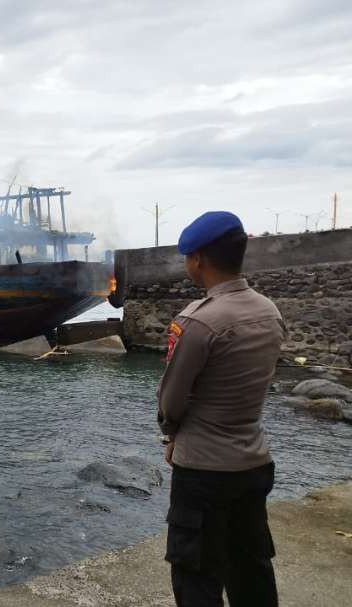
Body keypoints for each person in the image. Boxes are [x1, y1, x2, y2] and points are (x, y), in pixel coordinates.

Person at [157, 211, 285, 606]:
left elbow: (172, 401)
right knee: (251, 568)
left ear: (198, 260)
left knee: (196, 574)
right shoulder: (269, 311)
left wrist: (171, 434)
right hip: (253, 462)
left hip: (204, 472)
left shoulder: (197, 322)